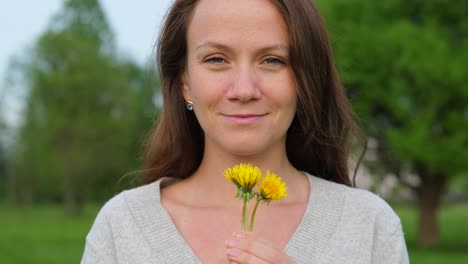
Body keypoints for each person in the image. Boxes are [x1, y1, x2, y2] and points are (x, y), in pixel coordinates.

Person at [81, 0, 409, 263]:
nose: (243, 89)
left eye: (272, 60)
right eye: (216, 59)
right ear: (184, 83)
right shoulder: (121, 228)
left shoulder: (371, 227)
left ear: (304, 80)